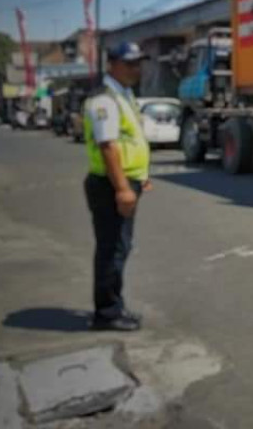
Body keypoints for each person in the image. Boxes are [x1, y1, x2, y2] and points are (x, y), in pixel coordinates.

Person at [83, 42, 152, 331]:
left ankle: (114, 306)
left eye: (138, 63)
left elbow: (129, 141)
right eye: (130, 63)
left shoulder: (123, 95)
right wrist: (123, 188)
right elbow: (108, 146)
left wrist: (140, 177)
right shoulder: (105, 100)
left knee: (119, 247)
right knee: (113, 249)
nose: (136, 69)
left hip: (123, 181)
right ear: (112, 64)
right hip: (111, 185)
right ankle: (108, 314)